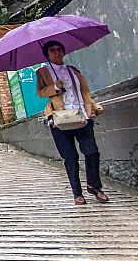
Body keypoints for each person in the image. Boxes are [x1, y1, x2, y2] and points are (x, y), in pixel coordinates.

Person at [35, 40, 108, 205]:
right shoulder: (43, 72)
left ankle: (94, 186)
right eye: (52, 50)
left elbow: (84, 92)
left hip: (82, 116)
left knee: (92, 152)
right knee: (71, 157)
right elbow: (40, 93)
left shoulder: (73, 70)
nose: (56, 52)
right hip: (61, 119)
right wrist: (55, 87)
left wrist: (94, 105)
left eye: (59, 49)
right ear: (47, 54)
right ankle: (77, 193)